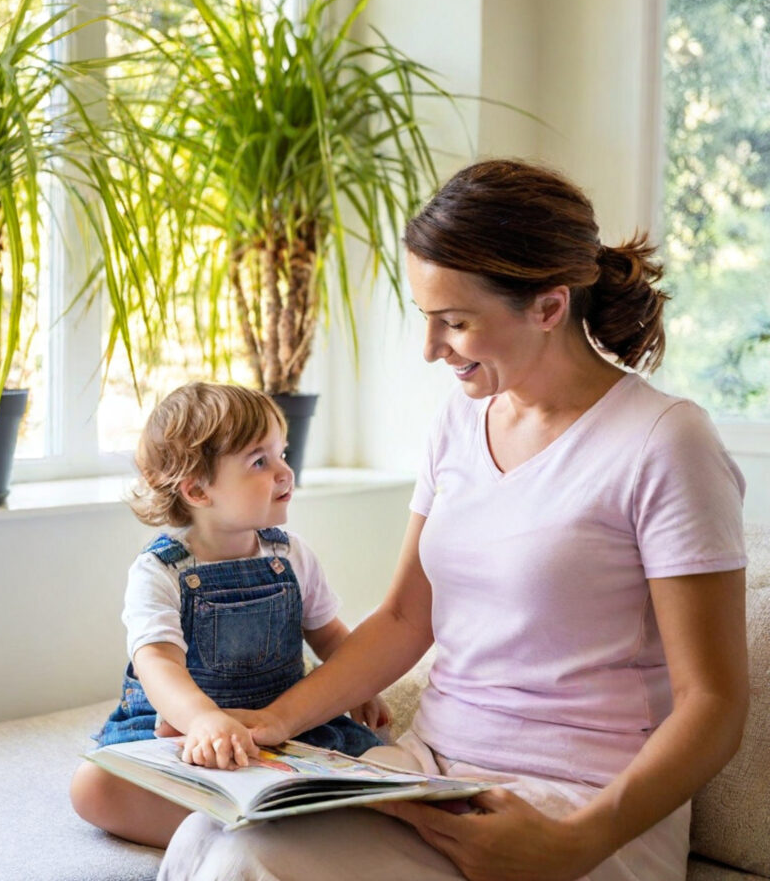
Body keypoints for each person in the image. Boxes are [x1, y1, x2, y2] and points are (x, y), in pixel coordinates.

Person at [157, 159, 749, 881]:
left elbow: (713, 702)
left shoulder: (665, 440)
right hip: (433, 773)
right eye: (426, 318)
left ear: (550, 307)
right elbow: (408, 617)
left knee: (246, 864)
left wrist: (578, 844)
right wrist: (272, 722)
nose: (432, 349)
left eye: (456, 322)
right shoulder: (461, 421)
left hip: (580, 807)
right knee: (207, 836)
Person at [69, 381, 390, 848]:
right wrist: (202, 720)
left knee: (389, 763)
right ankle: (240, 829)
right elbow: (156, 663)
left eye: (284, 453)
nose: (285, 472)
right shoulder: (160, 570)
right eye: (260, 462)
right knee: (93, 788)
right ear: (198, 490)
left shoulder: (292, 556)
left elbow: (330, 635)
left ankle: (272, 813)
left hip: (284, 724)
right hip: (184, 730)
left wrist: (362, 686)